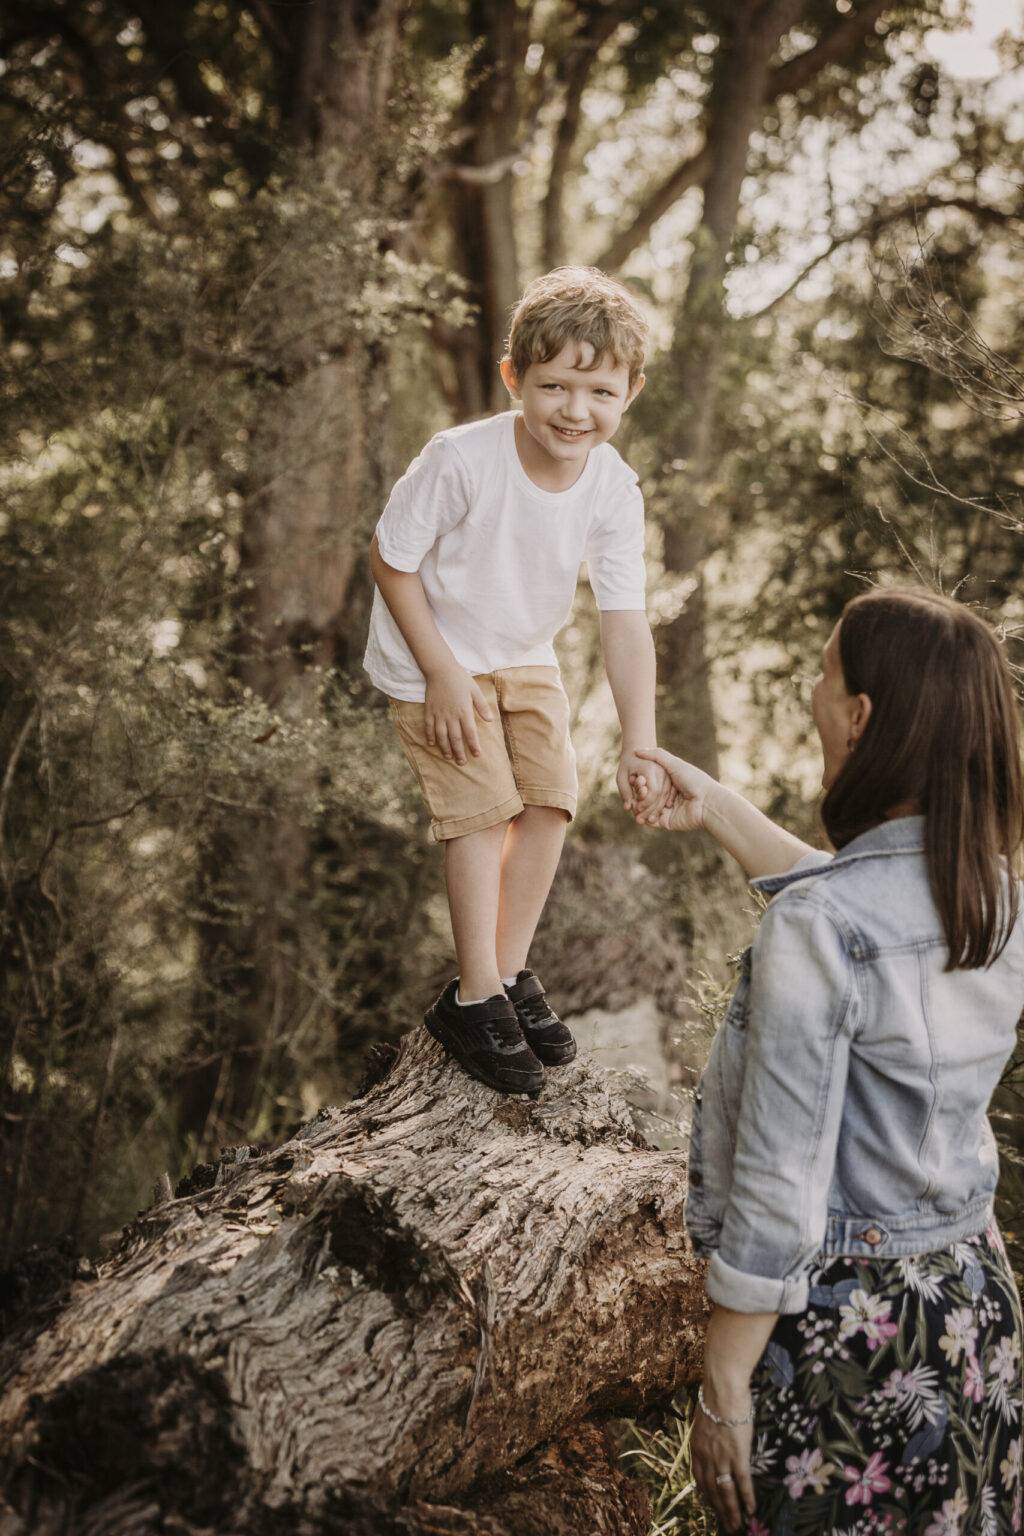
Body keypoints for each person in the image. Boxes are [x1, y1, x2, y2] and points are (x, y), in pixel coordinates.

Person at [635, 585, 1024, 1534]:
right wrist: (721, 808)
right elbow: (864, 912)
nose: (811, 690)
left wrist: (722, 1382)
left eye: (823, 671)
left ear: (859, 716)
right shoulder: (994, 899)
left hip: (848, 1339)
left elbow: (780, 1182)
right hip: (972, 1314)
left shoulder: (823, 929)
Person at [364, 266, 670, 1095]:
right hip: (430, 654)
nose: (576, 410)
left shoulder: (613, 487)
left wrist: (640, 742)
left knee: (549, 798)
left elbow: (623, 619)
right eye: (555, 386)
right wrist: (442, 676)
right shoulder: (462, 459)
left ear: (630, 392)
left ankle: (507, 971)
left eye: (599, 390)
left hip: (522, 651)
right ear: (515, 379)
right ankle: (473, 998)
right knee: (481, 811)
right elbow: (391, 565)